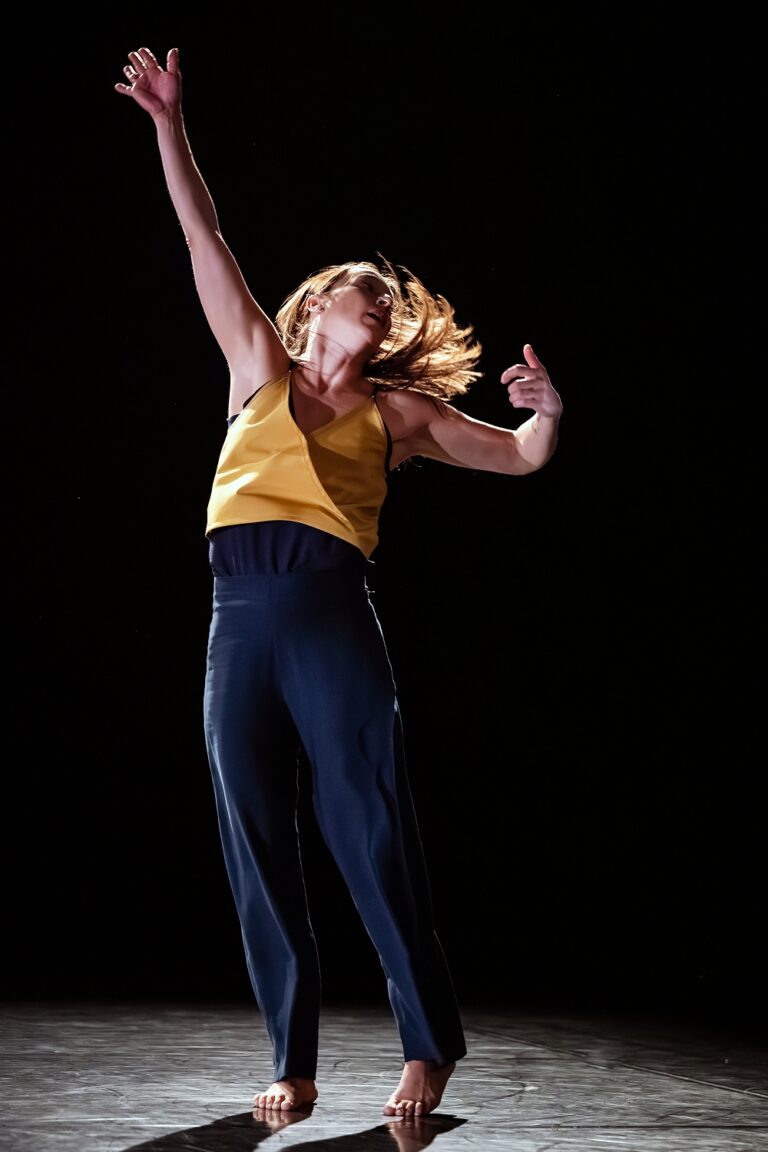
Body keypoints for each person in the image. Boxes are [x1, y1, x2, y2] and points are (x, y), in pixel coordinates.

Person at [114, 44, 563, 1118]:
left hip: (327, 619)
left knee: (367, 825)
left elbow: (518, 457)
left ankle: (427, 1043)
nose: (376, 302)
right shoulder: (255, 366)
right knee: (254, 834)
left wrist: (546, 409)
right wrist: (169, 125)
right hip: (239, 621)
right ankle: (292, 1063)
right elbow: (203, 235)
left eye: (386, 300)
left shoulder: (397, 415)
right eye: (359, 293)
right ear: (316, 309)